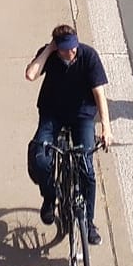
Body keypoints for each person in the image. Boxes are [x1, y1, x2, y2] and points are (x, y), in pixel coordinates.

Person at [25, 25, 112, 244]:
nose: (70, 52)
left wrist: (106, 127)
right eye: (64, 48)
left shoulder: (89, 56)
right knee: (41, 160)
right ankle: (50, 197)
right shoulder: (51, 55)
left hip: (81, 115)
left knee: (87, 170)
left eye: (73, 47)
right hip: (52, 113)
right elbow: (30, 74)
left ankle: (89, 223)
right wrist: (48, 50)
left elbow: (99, 93)